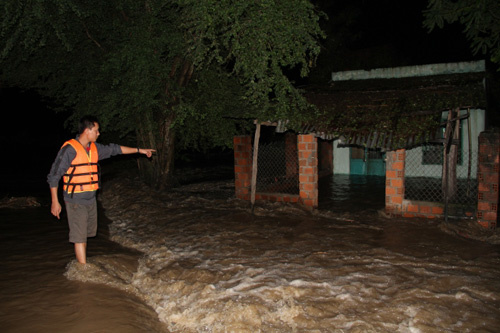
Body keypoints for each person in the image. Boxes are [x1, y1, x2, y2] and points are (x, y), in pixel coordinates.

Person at [47, 115, 155, 264]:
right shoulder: (69, 150)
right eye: (96, 130)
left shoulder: (95, 148)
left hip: (90, 199)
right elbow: (54, 175)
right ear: (87, 131)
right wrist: (55, 201)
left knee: (86, 235)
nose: (99, 133)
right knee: (79, 238)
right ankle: (83, 270)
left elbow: (116, 149)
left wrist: (139, 150)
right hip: (75, 200)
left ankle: (82, 268)